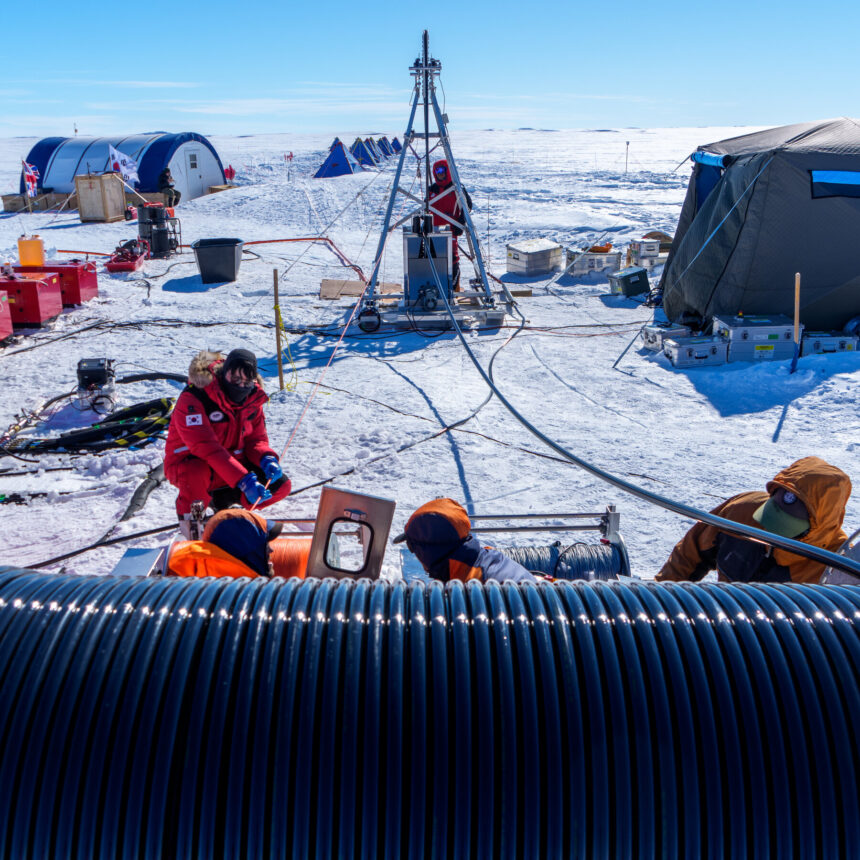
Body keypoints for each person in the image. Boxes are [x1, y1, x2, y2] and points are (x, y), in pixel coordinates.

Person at [657, 456, 851, 584]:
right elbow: (690, 553)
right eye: (771, 513)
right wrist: (660, 598)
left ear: (819, 527)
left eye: (785, 525)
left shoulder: (838, 567)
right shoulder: (740, 512)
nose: (769, 531)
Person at [164, 348, 290, 536]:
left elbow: (256, 439)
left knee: (281, 485)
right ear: (224, 374)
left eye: (246, 381)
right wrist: (245, 481)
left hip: (231, 468)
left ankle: (231, 511)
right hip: (193, 464)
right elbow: (207, 448)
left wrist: (266, 458)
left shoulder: (252, 399)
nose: (240, 385)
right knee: (196, 472)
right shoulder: (194, 399)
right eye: (235, 379)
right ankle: (191, 525)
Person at [393, 498, 535, 583]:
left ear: (429, 552)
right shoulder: (485, 556)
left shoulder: (475, 585)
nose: (415, 556)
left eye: (413, 548)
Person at [168, 508, 283, 578]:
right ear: (246, 549)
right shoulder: (254, 601)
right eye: (264, 545)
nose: (271, 551)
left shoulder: (203, 589)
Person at [427, 159, 472, 291]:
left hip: (451, 229)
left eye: (442, 170)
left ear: (447, 171)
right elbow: (426, 208)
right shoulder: (432, 190)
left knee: (452, 258)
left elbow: (467, 206)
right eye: (437, 171)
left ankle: (453, 288)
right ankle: (435, 287)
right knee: (434, 257)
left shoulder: (456, 188)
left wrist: (461, 222)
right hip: (434, 230)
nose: (439, 174)